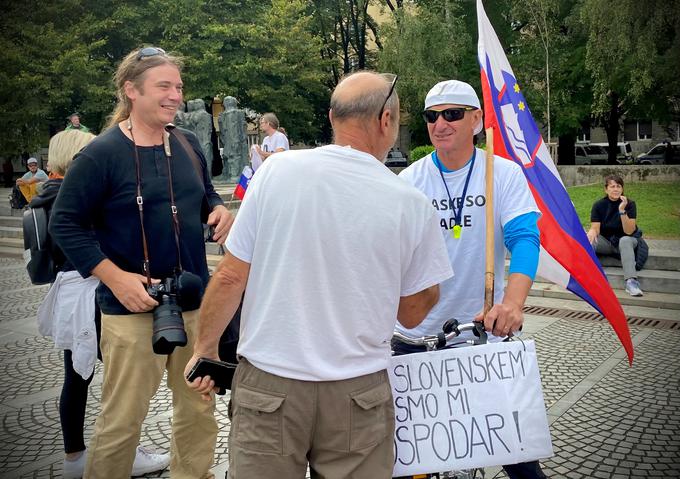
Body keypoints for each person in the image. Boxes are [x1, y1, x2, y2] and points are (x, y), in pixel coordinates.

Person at [185, 71, 452, 478]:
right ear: (387, 122)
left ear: (331, 117)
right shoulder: (411, 203)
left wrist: (205, 349)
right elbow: (412, 314)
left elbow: (229, 278)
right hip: (357, 391)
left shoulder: (275, 173)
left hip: (270, 384)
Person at [49, 46, 234, 479]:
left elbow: (206, 193)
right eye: (164, 86)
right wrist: (114, 278)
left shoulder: (187, 143)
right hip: (131, 308)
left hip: (193, 304)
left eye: (179, 87)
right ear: (131, 90)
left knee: (198, 411)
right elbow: (65, 223)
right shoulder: (100, 154)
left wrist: (219, 208)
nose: (175, 95)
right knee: (121, 422)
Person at [396, 80, 546, 479]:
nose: (440, 124)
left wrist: (512, 304)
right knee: (410, 460)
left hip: (480, 332)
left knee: (520, 459)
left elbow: (524, 239)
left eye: (452, 114)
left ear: (477, 119)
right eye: (432, 116)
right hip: (416, 340)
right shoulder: (408, 181)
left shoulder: (503, 174)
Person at [32, 129, 170, 478]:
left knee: (76, 378)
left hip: (71, 290)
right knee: (122, 377)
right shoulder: (77, 193)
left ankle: (75, 456)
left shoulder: (46, 194)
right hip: (93, 289)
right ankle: (124, 451)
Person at [587, 174, 645, 296]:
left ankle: (631, 282)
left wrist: (622, 211)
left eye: (618, 186)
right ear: (606, 189)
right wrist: (592, 230)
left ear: (622, 189)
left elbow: (629, 231)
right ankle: (587, 278)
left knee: (624, 240)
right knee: (588, 238)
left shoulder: (630, 204)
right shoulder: (599, 205)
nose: (615, 189)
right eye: (612, 186)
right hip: (607, 243)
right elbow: (595, 228)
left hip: (627, 242)